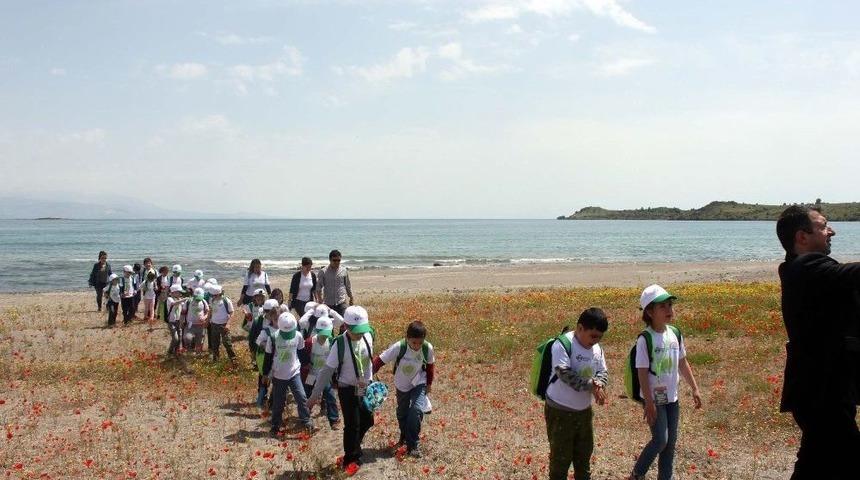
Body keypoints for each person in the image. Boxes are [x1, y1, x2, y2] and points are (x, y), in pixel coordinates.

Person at [775, 205, 860, 478]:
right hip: (821, 392)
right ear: (802, 237)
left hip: (821, 391)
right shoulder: (806, 268)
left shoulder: (802, 271)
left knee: (816, 463)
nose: (831, 230)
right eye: (823, 226)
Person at [629, 285, 702, 480]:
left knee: (670, 444)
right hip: (654, 400)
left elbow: (682, 363)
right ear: (650, 312)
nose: (669, 310)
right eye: (663, 307)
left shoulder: (675, 333)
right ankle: (637, 473)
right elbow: (642, 372)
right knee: (661, 439)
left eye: (670, 305)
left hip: (672, 398)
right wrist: (649, 402)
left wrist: (694, 388)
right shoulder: (645, 339)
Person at [543, 308, 609, 480]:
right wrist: (591, 385)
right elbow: (564, 374)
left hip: (584, 412)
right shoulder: (563, 344)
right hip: (560, 411)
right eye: (593, 336)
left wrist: (599, 383)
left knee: (583, 458)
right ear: (580, 328)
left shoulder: (596, 349)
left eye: (600, 337)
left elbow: (602, 371)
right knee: (560, 461)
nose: (596, 341)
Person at [308, 305, 375, 472]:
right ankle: (350, 459)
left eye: (362, 329)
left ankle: (354, 446)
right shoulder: (339, 345)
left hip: (363, 387)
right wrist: (314, 395)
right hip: (346, 389)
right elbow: (325, 372)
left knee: (368, 420)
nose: (360, 334)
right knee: (352, 425)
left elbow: (368, 363)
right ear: (345, 326)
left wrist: (370, 381)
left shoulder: (368, 335)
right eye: (356, 330)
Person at [372, 320, 436, 458]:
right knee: (402, 412)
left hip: (419, 382)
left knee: (416, 409)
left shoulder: (427, 348)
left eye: (420, 342)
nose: (417, 346)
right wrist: (368, 374)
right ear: (407, 338)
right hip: (402, 384)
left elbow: (430, 367)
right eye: (414, 342)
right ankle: (404, 435)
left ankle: (413, 444)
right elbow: (380, 360)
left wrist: (429, 384)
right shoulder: (399, 347)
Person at [262, 312, 314, 436]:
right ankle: (275, 424)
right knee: (278, 402)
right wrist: (265, 373)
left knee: (301, 397)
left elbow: (301, 352)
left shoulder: (298, 336)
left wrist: (307, 364)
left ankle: (306, 420)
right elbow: (268, 357)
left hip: (294, 373)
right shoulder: (273, 338)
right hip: (279, 375)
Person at [301, 316, 340, 429]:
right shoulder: (309, 342)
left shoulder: (332, 342)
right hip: (311, 375)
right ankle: (305, 417)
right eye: (322, 334)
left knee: (330, 396)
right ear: (317, 331)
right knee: (308, 394)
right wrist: (306, 366)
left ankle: (334, 420)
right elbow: (302, 357)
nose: (324, 336)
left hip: (324, 375)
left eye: (326, 334)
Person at [317, 250, 353, 316]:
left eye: (338, 260)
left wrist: (351, 297)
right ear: (330, 260)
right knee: (330, 324)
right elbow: (318, 287)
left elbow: (347, 285)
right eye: (334, 260)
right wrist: (320, 300)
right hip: (328, 304)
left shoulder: (344, 270)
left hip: (341, 302)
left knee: (344, 322)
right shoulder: (323, 272)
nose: (337, 262)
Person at [208, 285, 236, 362]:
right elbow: (210, 311)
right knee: (215, 343)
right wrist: (207, 321)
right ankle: (216, 359)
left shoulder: (226, 300)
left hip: (224, 325)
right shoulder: (212, 300)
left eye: (213, 295)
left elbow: (232, 313)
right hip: (214, 324)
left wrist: (228, 324)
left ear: (218, 294)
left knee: (227, 343)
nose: (212, 296)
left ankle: (233, 359)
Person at [165, 284, 187, 356]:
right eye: (178, 292)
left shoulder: (179, 299)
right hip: (172, 322)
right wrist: (183, 299)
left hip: (178, 321)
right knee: (175, 338)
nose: (180, 294)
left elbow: (184, 306)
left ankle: (176, 352)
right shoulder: (169, 299)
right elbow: (173, 303)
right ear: (173, 292)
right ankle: (170, 351)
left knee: (179, 338)